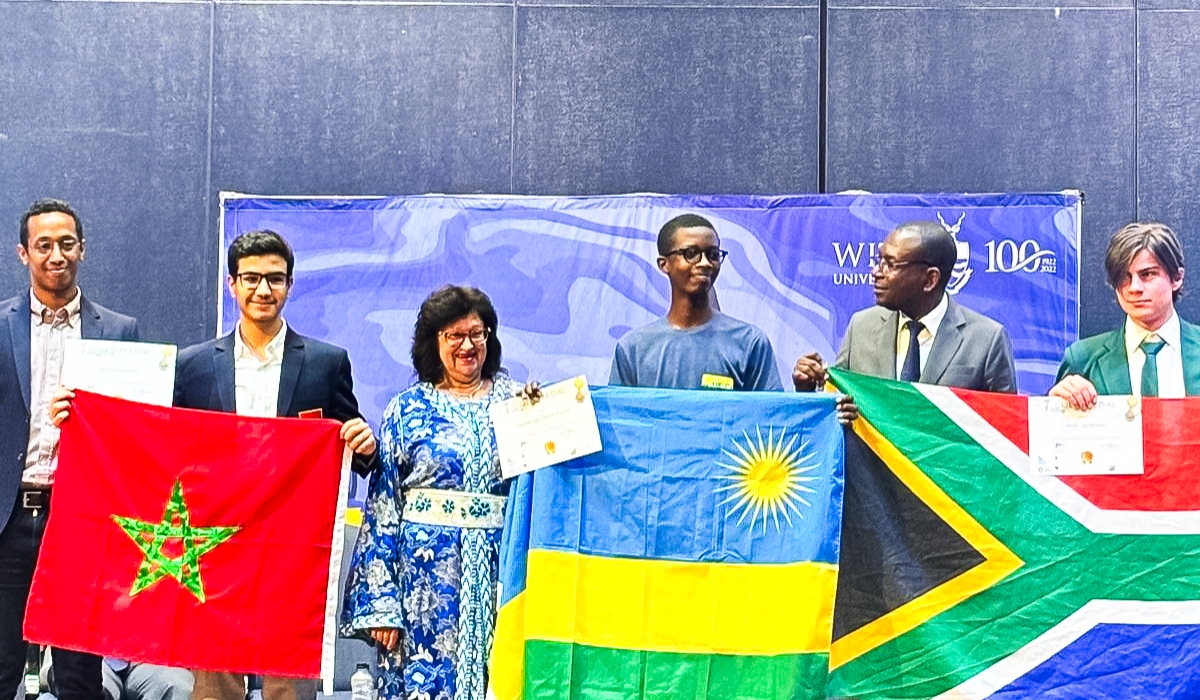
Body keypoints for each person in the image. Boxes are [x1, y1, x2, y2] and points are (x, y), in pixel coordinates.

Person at [341, 285, 533, 700]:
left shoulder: (519, 402)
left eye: (477, 334)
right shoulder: (406, 409)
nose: (468, 346)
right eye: (455, 336)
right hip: (423, 585)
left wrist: (545, 412)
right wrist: (382, 604)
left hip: (503, 574)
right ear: (434, 342)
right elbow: (382, 507)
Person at [0, 199, 138, 700]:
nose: (56, 254)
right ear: (23, 254)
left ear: (83, 249)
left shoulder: (120, 330)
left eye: (66, 243)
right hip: (10, 515)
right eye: (44, 245)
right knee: (3, 665)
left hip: (83, 517)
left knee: (80, 673)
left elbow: (134, 430)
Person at [792, 220, 1017, 400]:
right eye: (879, 261)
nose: (876, 272)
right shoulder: (860, 327)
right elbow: (837, 407)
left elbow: (1002, 435)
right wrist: (808, 388)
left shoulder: (987, 340)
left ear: (930, 279)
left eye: (890, 264)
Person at [609, 213, 783, 390]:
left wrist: (805, 390)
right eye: (691, 254)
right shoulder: (633, 349)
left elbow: (772, 413)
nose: (705, 263)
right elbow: (618, 415)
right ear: (664, 264)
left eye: (713, 254)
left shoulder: (750, 343)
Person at [1050, 221, 1200, 409]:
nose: (1134, 288)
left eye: (1147, 274)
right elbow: (1055, 434)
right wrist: (1054, 406)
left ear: (1176, 278)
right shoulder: (1083, 358)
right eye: (1124, 278)